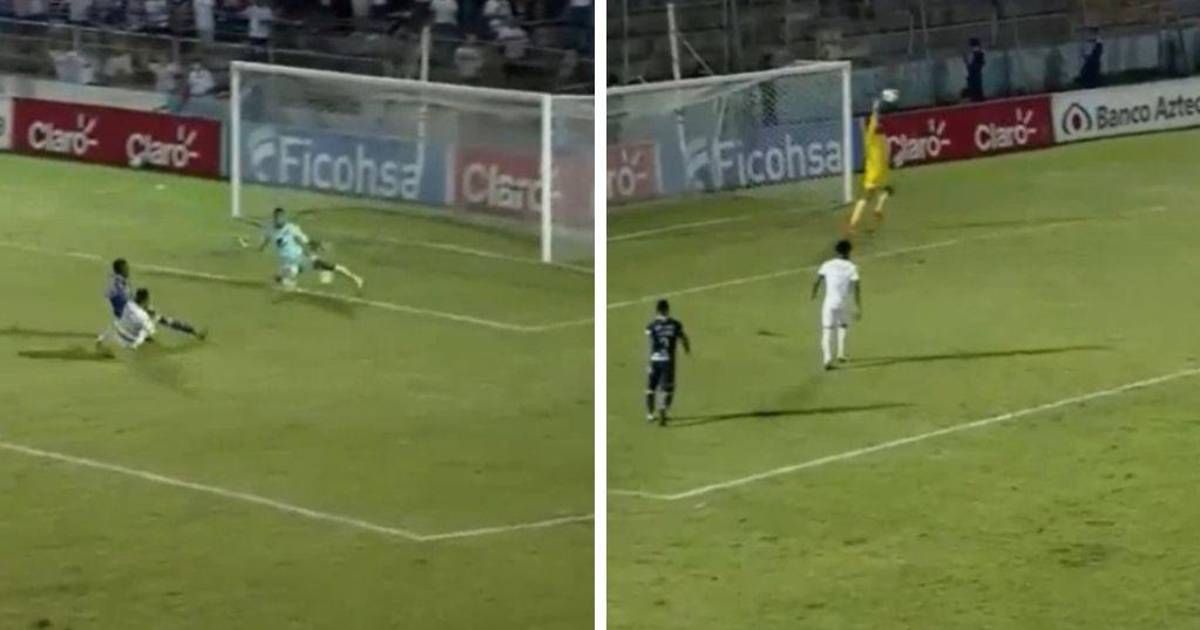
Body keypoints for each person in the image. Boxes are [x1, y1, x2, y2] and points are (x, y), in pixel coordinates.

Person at [98, 259, 206, 349]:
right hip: (129, 315)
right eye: (125, 269)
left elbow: (118, 298)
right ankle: (195, 332)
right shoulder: (118, 286)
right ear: (120, 270)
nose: (128, 270)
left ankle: (194, 332)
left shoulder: (120, 282)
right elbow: (122, 300)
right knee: (165, 321)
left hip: (128, 314)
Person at [259, 207, 365, 291]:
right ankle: (285, 279)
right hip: (287, 263)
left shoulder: (292, 228)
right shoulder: (270, 229)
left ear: (284, 217)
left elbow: (307, 241)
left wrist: (320, 245)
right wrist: (259, 247)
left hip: (301, 258)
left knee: (328, 266)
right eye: (277, 217)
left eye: (281, 217)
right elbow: (265, 242)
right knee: (284, 284)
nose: (279, 219)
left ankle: (355, 278)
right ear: (274, 218)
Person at [811, 240, 861, 370]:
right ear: (849, 252)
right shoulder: (852, 267)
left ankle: (827, 359)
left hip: (829, 303)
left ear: (836, 251)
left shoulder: (827, 264)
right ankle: (841, 353)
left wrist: (813, 293)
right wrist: (857, 306)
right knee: (843, 326)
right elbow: (857, 287)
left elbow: (817, 280)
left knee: (827, 330)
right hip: (843, 302)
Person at [848, 94, 893, 234]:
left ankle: (854, 222)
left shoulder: (875, 138)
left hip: (875, 173)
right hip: (878, 172)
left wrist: (876, 108)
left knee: (868, 196)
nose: (878, 124)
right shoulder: (873, 137)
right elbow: (874, 120)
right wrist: (875, 108)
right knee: (883, 191)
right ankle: (877, 209)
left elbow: (887, 151)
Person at [644, 299, 690, 425]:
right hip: (668, 361)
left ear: (657, 310)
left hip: (654, 359)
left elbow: (650, 342)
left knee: (650, 388)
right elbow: (683, 338)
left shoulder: (651, 326)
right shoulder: (675, 324)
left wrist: (649, 362)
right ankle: (663, 408)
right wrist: (687, 348)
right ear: (668, 309)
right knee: (668, 388)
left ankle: (650, 414)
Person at [962, 37, 985, 102]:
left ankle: (977, 98)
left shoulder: (978, 53)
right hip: (973, 72)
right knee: (975, 87)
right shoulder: (976, 53)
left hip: (974, 72)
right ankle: (976, 98)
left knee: (976, 87)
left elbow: (980, 63)